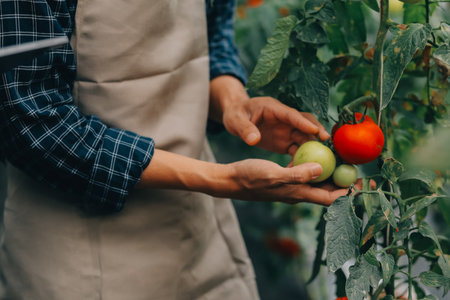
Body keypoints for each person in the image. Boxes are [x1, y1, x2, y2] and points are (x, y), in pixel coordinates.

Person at [0, 0, 361, 299]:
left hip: (198, 233)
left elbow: (212, 30)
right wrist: (223, 179)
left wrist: (232, 102)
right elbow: (31, 120)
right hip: (76, 252)